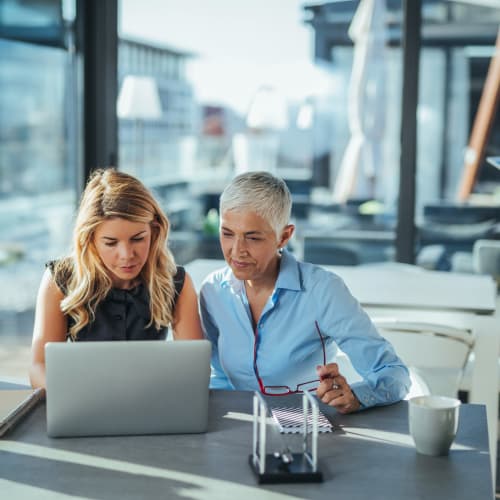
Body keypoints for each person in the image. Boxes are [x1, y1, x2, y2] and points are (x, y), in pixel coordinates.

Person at [199, 171, 410, 413]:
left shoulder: (322, 290)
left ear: (284, 236)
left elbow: (394, 374)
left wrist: (356, 396)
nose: (237, 251)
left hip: (311, 432)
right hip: (240, 430)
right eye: (227, 234)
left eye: (253, 237)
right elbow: (219, 376)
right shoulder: (213, 291)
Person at [30, 168, 203, 389]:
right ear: (90, 239)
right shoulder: (60, 280)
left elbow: (193, 369)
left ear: (155, 230)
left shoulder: (176, 282)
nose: (127, 255)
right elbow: (39, 367)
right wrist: (69, 397)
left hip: (152, 405)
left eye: (138, 239)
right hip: (83, 407)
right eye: (111, 243)